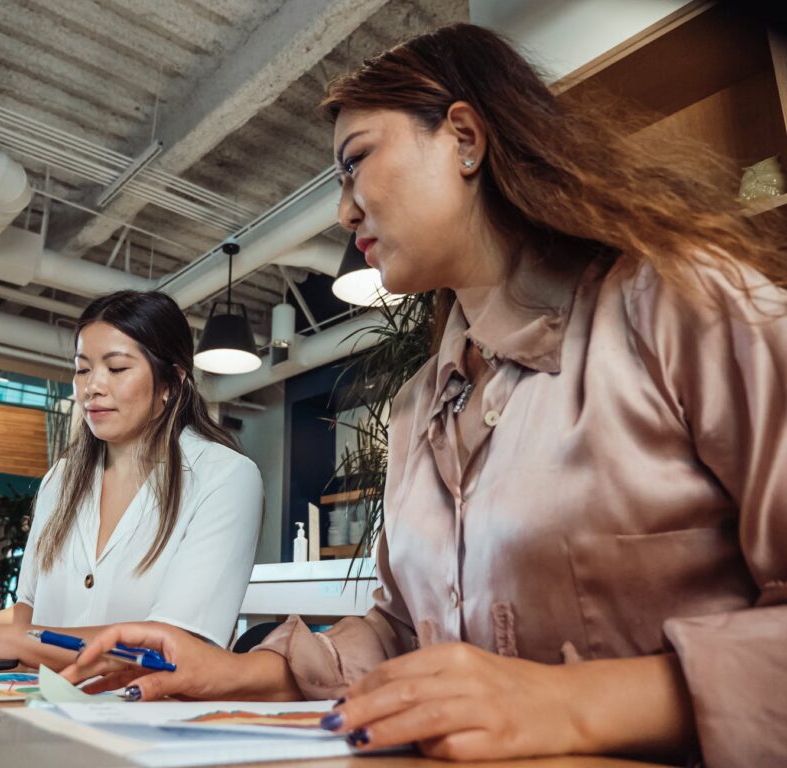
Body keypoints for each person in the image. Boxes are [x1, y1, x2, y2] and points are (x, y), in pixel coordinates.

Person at [60, 23, 787, 768]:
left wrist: (572, 703)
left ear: (465, 137)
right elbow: (405, 633)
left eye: (356, 163)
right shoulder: (418, 405)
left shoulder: (683, 304)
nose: (344, 212)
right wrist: (242, 671)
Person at [0, 290, 263, 668]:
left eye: (117, 368)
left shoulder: (225, 477)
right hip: (38, 706)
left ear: (171, 382)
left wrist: (4, 640)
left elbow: (173, 647)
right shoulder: (60, 479)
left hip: (143, 717)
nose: (92, 386)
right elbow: (27, 611)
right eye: (83, 368)